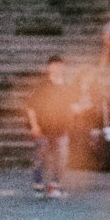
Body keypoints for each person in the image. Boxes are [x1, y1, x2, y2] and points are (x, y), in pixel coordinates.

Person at [25, 55, 73, 197]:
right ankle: (38, 185)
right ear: (49, 68)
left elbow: (71, 106)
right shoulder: (42, 86)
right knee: (40, 157)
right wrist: (34, 125)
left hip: (61, 128)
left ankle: (54, 185)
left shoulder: (66, 86)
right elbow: (30, 107)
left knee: (62, 158)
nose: (58, 68)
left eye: (60, 65)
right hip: (44, 127)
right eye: (55, 65)